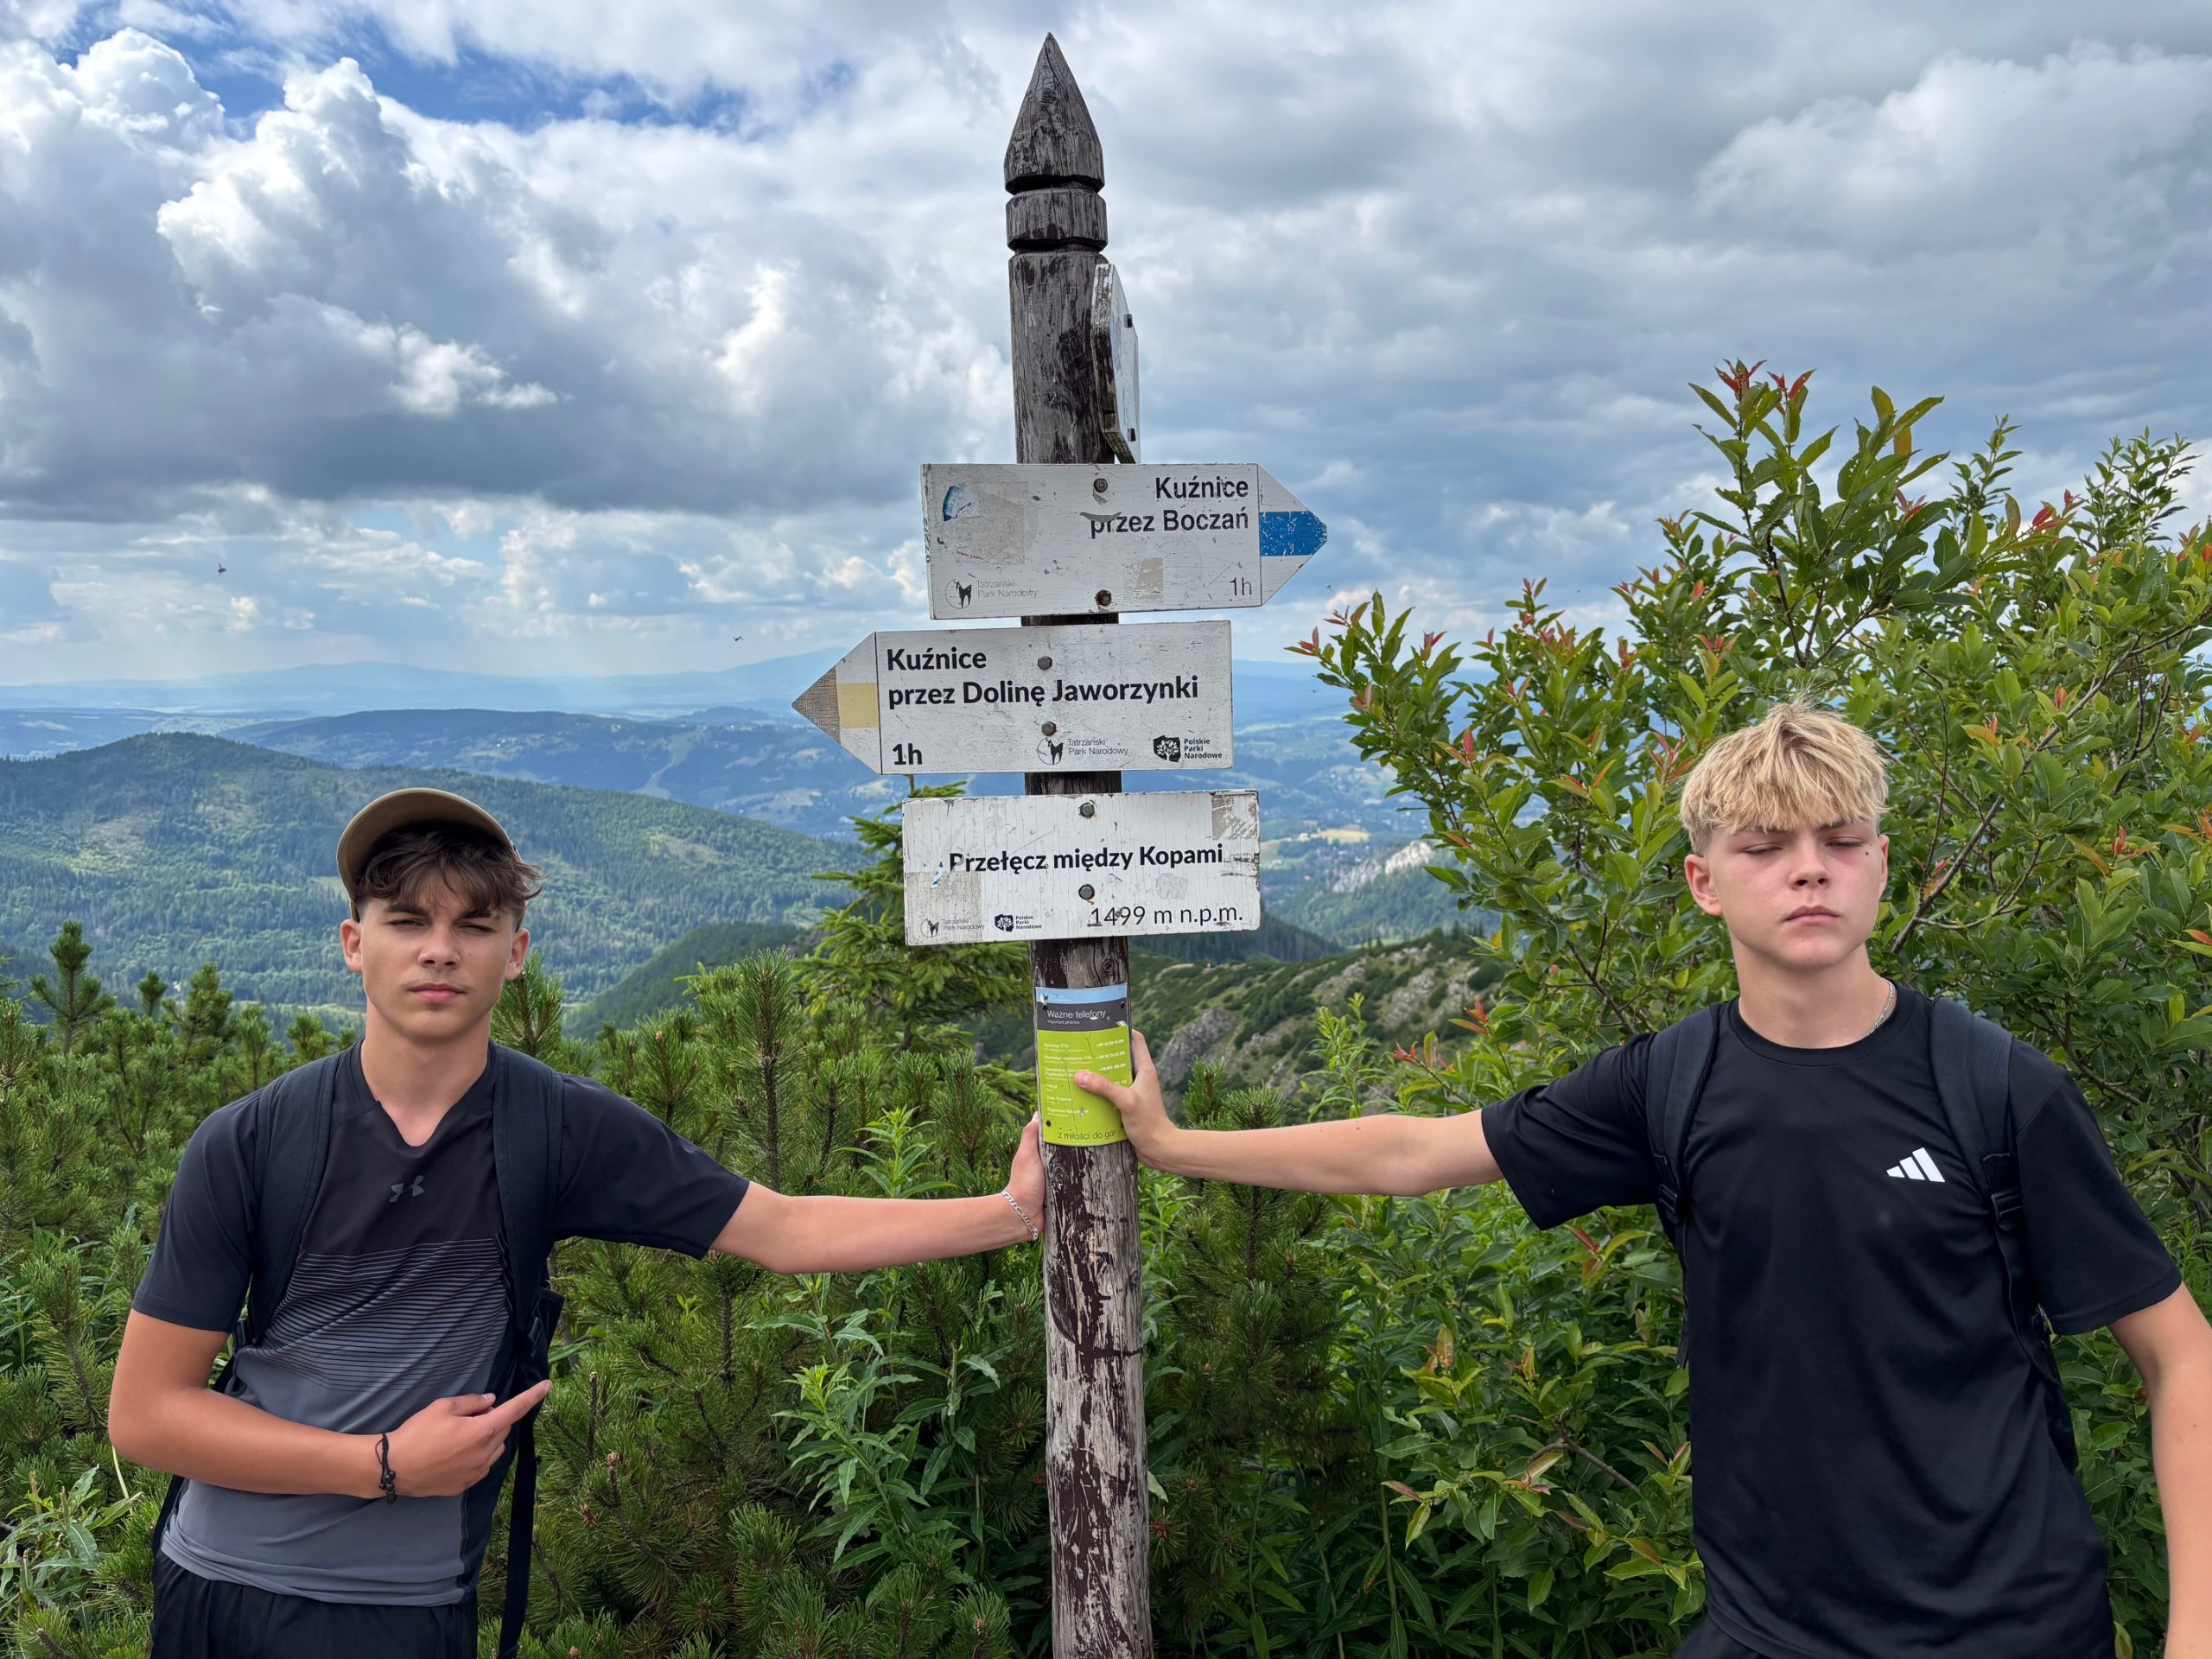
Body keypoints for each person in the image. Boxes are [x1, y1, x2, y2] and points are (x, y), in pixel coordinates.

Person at [1076, 699, 2211, 1658]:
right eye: (1764, 846)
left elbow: (2180, 1356)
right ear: (1704, 882)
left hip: (2008, 1627)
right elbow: (1414, 1152)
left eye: (1840, 839)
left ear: (1879, 863)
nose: (1808, 868)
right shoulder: (1671, 1083)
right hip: (1768, 1631)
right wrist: (1176, 1146)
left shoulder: (1997, 1089)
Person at [110, 786, 1045, 1659]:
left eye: (475, 926)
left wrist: (1010, 1213)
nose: (440, 950)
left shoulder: (554, 1128)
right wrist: (383, 1464)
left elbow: (785, 1230)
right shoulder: (252, 1141)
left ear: (516, 954)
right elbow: (146, 1415)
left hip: (406, 1607)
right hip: (219, 1585)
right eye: (408, 921)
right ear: (355, 944)